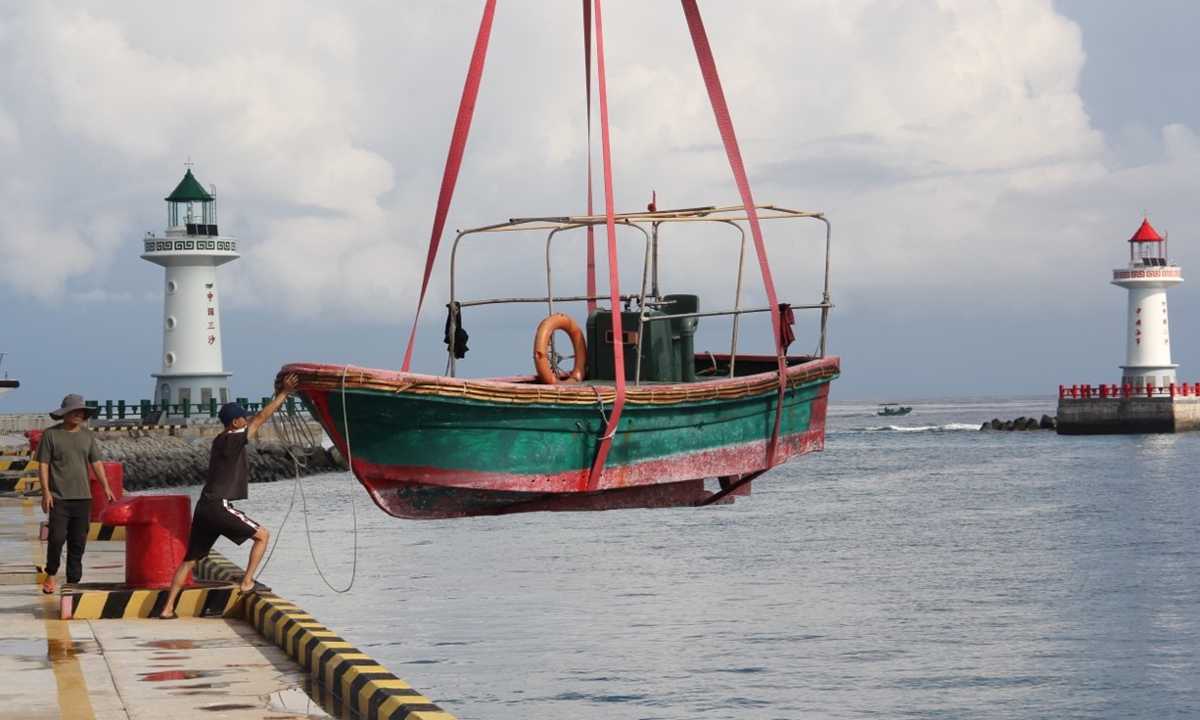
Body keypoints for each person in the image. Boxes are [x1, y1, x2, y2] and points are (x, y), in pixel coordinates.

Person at [158, 374, 299, 619]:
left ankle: (167, 608)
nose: (247, 419)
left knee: (190, 560)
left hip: (203, 507)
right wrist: (284, 395)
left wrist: (276, 394)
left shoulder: (221, 439)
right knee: (263, 536)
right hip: (218, 506)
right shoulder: (234, 439)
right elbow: (262, 418)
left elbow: (256, 418)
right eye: (243, 417)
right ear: (235, 422)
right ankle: (247, 582)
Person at [38, 394, 115, 594]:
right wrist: (46, 492)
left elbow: (96, 462)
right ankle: (52, 572)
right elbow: (43, 465)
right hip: (58, 497)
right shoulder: (50, 435)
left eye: (82, 411)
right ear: (65, 414)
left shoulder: (87, 436)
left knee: (78, 541)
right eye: (75, 411)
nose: (80, 414)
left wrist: (106, 486)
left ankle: (73, 580)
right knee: (56, 537)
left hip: (83, 498)